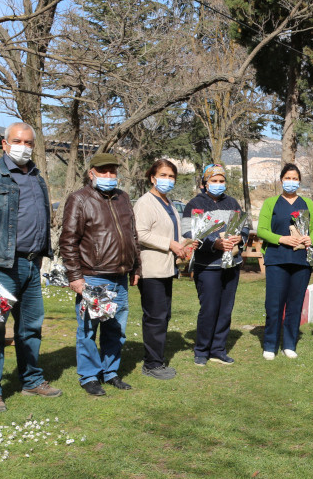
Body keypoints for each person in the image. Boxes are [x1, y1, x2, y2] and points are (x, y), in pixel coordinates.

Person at [0, 121, 61, 412]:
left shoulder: (37, 177)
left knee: (31, 326)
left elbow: (40, 217)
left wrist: (43, 252)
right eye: (18, 141)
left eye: (29, 143)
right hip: (0, 266)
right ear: (5, 144)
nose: (23, 147)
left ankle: (32, 379)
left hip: (32, 265)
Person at [60, 153, 141, 396]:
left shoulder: (123, 198)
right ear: (91, 173)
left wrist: (136, 267)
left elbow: (132, 236)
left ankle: (111, 372)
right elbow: (68, 241)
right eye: (103, 171)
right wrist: (75, 276)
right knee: (88, 330)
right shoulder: (79, 200)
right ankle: (89, 376)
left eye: (112, 171)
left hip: (120, 276)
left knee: (116, 328)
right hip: (94, 276)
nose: (108, 176)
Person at [133, 159, 191, 380]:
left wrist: (184, 244)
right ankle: (152, 364)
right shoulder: (146, 203)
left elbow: (170, 233)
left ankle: (156, 358)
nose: (168, 180)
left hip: (166, 269)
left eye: (171, 176)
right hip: (152, 269)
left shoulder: (168, 202)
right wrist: (171, 244)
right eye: (163, 175)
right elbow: (141, 233)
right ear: (152, 177)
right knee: (155, 317)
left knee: (163, 315)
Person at [182, 164, 245, 366]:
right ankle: (202, 350)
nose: (218, 184)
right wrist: (213, 243)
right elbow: (188, 234)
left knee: (226, 309)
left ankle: (218, 348)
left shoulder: (233, 203)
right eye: (214, 181)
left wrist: (238, 239)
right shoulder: (194, 205)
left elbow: (244, 228)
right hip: (207, 265)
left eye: (221, 181)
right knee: (209, 308)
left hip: (231, 264)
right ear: (205, 182)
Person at [256, 163, 313, 360]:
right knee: (274, 304)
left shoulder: (307, 203)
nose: (291, 182)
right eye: (288, 178)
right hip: (277, 259)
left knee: (295, 304)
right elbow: (261, 230)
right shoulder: (271, 203)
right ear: (281, 180)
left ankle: (289, 344)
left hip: (301, 261)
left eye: (295, 179)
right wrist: (281, 239)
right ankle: (270, 344)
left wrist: (312, 239)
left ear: (299, 181)